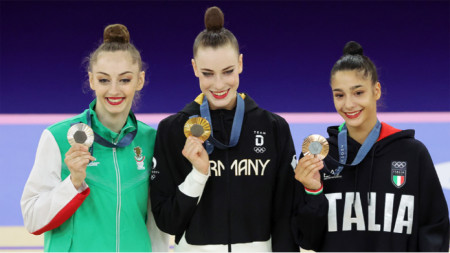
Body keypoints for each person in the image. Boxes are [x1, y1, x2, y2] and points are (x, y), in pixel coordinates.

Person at [150, 6, 299, 252]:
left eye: (228, 71)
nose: (219, 84)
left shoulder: (273, 128)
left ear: (240, 63)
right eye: (208, 73)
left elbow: (285, 214)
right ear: (194, 68)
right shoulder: (172, 130)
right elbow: (167, 221)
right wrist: (197, 176)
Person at [21, 24, 168, 252]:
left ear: (140, 80)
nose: (114, 90)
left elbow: (155, 226)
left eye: (125, 80)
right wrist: (73, 183)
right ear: (91, 81)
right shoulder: (58, 138)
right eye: (104, 80)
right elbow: (32, 218)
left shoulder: (151, 141)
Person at [292, 41, 450, 251]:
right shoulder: (320, 159)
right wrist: (313, 191)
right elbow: (306, 239)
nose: (348, 104)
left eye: (358, 92)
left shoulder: (412, 153)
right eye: (339, 95)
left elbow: (434, 231)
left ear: (376, 91)